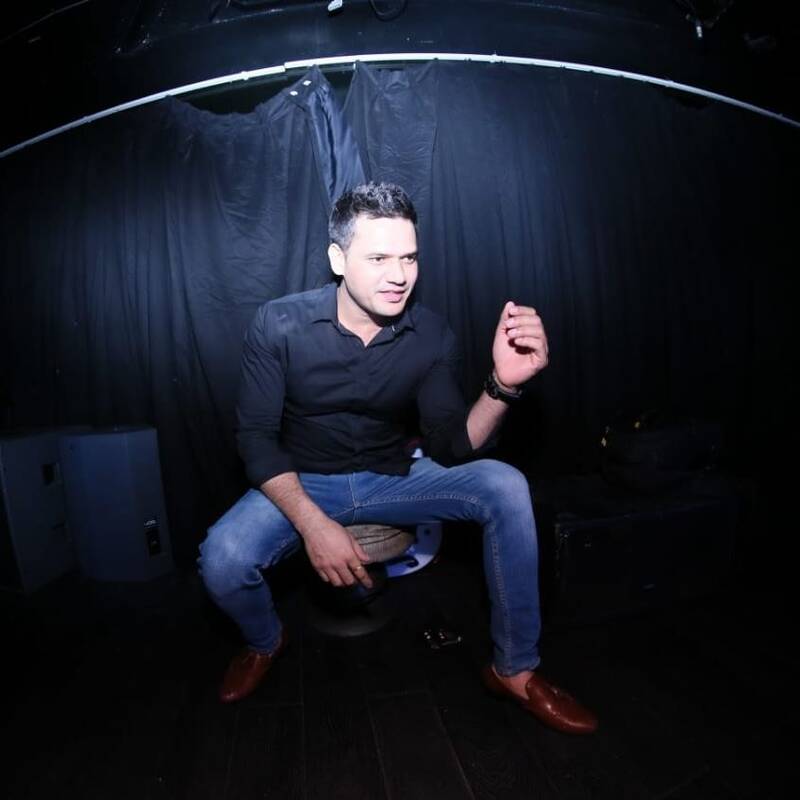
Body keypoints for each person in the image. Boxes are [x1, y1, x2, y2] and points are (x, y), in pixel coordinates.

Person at [199, 182, 597, 734]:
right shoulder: (279, 324)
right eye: (379, 258)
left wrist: (503, 387)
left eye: (409, 257)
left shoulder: (430, 333)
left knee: (505, 484)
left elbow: (451, 445)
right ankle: (265, 641)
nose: (399, 275)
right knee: (223, 559)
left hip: (393, 476)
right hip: (305, 479)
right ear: (338, 259)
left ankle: (515, 669)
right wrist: (313, 524)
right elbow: (256, 438)